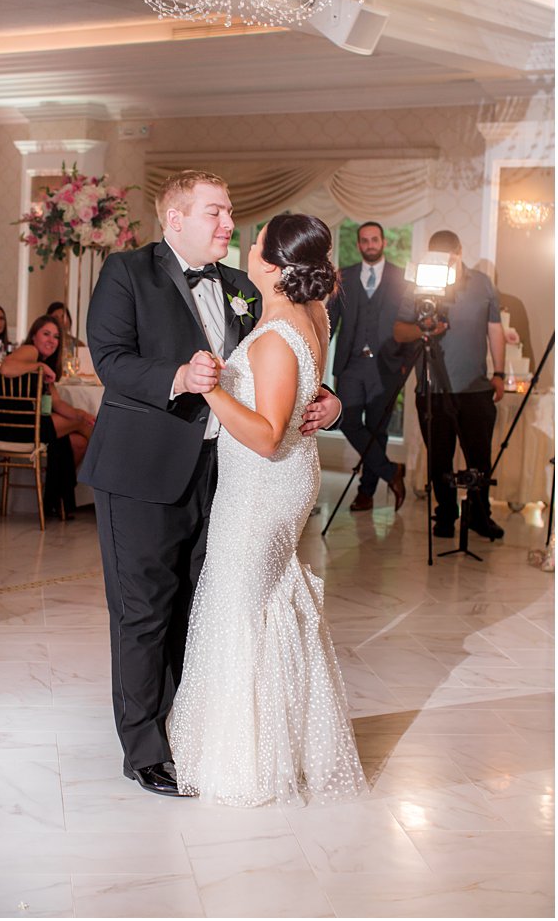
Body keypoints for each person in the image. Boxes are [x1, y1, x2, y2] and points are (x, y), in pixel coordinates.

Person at [81, 171, 341, 798]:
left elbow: (282, 365)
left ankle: (187, 729)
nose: (229, 224)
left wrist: (325, 398)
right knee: (142, 613)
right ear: (176, 218)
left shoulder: (243, 287)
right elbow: (109, 359)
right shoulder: (126, 272)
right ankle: (144, 750)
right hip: (141, 472)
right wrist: (177, 376)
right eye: (216, 212)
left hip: (226, 478)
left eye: (229, 213)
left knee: (196, 610)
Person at [169, 213, 368, 806]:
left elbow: (265, 433)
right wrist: (326, 403)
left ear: (277, 267)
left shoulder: (279, 333)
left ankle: (244, 759)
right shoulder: (315, 313)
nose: (247, 249)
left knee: (239, 606)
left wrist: (211, 389)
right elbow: (308, 393)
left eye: (256, 245)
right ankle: (281, 742)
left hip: (261, 485)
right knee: (264, 600)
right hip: (283, 481)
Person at [392, 230, 506, 540]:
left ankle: (480, 515)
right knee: (439, 458)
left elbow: (495, 329)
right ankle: (445, 515)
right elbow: (400, 332)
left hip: (475, 388)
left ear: (459, 252)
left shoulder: (481, 282)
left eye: (449, 256)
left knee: (479, 459)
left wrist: (500, 372)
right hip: (432, 389)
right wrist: (424, 329)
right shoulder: (418, 282)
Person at [328, 221, 408, 512]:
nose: (369, 244)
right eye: (364, 240)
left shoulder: (402, 278)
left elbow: (408, 324)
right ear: (359, 244)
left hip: (385, 367)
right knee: (347, 422)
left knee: (378, 429)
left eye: (375, 239)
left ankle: (366, 492)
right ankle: (391, 471)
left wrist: (404, 364)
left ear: (383, 242)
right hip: (350, 364)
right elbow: (329, 321)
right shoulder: (344, 276)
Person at [0, 314, 94, 517]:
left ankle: (57, 497)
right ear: (34, 336)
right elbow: (5, 367)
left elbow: (57, 403)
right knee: (87, 428)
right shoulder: (30, 351)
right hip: (13, 424)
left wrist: (82, 414)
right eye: (46, 334)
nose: (52, 340)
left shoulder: (42, 364)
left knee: (78, 441)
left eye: (56, 336)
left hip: (29, 423)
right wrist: (39, 366)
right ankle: (113, 480)